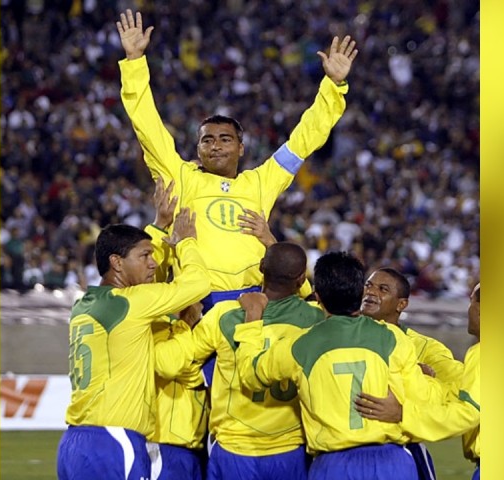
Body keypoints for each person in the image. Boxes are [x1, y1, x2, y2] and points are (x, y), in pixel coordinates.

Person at [115, 8, 357, 311]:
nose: (216, 146)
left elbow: (303, 140)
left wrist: (332, 87)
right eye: (207, 140)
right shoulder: (180, 175)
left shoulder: (260, 181)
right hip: (197, 305)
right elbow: (147, 125)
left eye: (225, 139)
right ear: (198, 147)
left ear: (241, 148)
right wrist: (135, 63)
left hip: (253, 306)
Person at [233, 252, 441, 480]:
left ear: (318, 297)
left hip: (334, 464)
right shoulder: (392, 337)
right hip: (391, 461)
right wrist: (426, 379)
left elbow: (249, 373)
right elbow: (423, 400)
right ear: (360, 291)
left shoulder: (300, 345)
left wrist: (253, 318)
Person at [56, 211, 210, 480]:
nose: (153, 264)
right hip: (114, 442)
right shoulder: (133, 302)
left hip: (74, 441)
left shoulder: (83, 306)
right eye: (145, 256)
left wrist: (159, 227)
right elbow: (198, 284)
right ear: (116, 262)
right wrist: (186, 242)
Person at [156, 242, 324, 480]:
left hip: (234, 449)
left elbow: (172, 364)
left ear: (262, 267)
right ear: (300, 279)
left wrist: (204, 377)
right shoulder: (317, 319)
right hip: (290, 449)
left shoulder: (224, 315)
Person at [356, 282, 481, 480]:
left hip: (395, 450)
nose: (371, 292)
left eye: (383, 288)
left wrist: (404, 412)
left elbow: (466, 405)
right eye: (368, 285)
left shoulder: (423, 346)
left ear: (402, 304)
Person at [146, 178, 209, 480]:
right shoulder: (154, 317)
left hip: (197, 444)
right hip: (165, 444)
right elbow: (168, 363)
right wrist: (160, 226)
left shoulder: (201, 323)